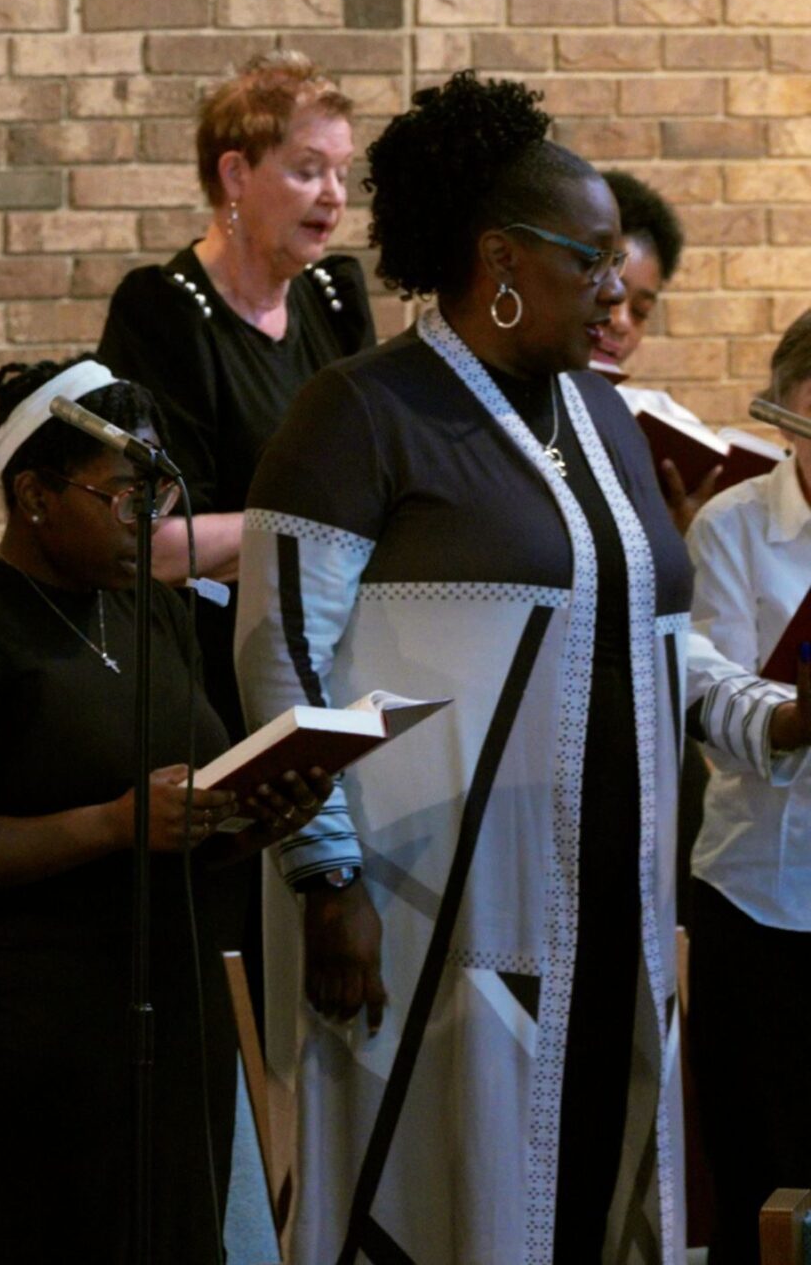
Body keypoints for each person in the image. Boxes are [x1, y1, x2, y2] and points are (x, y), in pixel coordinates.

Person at [236, 72, 690, 1262]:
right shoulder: (358, 411)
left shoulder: (604, 419)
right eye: (589, 261)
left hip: (610, 910)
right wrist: (323, 882)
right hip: (430, 904)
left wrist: (772, 723)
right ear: (497, 257)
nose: (610, 294)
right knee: (447, 1201)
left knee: (593, 1187)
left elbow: (654, 649)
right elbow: (282, 658)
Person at [0, 356, 328, 1263]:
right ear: (37, 493)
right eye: (125, 496)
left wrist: (255, 818)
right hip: (35, 1017)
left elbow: (180, 812)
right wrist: (111, 823)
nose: (152, 522)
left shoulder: (151, 614)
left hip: (176, 988)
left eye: (160, 496)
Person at [95, 49, 371, 734]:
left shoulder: (336, 296)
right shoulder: (163, 310)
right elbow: (150, 544)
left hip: (331, 655)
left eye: (342, 173)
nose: (335, 195)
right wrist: (321, 535)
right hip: (205, 676)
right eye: (309, 171)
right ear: (235, 173)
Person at [678, 311, 811, 1265]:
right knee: (765, 1166)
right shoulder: (735, 524)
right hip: (759, 894)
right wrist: (796, 719)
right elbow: (710, 689)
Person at [598, 169, 717, 530]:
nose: (620, 322)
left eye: (640, 311)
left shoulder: (664, 418)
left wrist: (689, 534)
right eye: (611, 294)